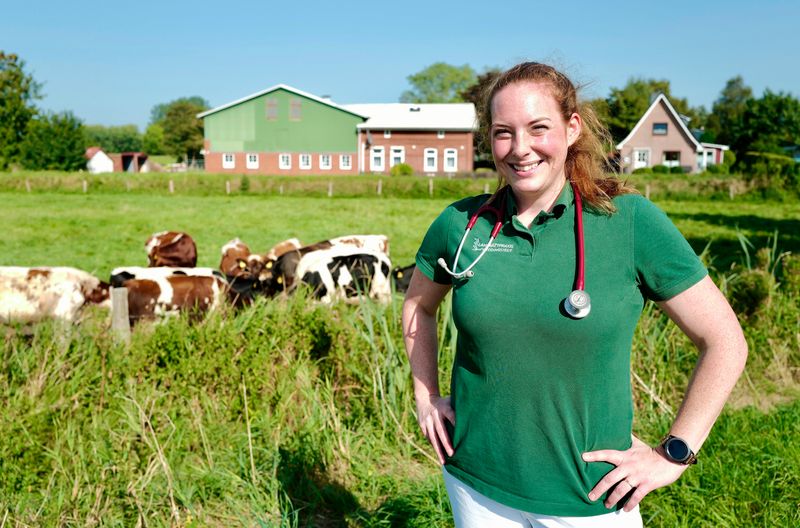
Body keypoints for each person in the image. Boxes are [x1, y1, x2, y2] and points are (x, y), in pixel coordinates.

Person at [402, 62, 747, 528]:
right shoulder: (461, 226)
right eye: (503, 132)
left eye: (537, 128)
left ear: (572, 128)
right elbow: (419, 305)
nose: (520, 149)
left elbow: (725, 341)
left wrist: (675, 453)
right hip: (476, 485)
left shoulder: (629, 222)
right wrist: (427, 396)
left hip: (592, 499)